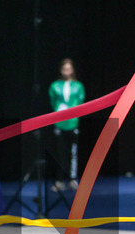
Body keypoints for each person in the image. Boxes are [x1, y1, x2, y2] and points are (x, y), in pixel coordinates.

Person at [49, 58, 85, 191]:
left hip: (73, 122)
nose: (66, 71)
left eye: (69, 68)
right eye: (64, 68)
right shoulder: (55, 85)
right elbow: (53, 101)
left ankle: (73, 179)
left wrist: (73, 115)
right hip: (59, 123)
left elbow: (81, 103)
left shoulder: (78, 86)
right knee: (60, 153)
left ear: (72, 70)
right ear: (61, 70)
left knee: (73, 152)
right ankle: (59, 181)